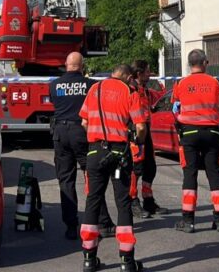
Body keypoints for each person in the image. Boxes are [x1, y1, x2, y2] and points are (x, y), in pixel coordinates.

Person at [79, 64, 147, 272]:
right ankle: (127, 261)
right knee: (123, 203)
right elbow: (141, 126)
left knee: (93, 200)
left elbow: (84, 122)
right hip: (119, 153)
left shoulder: (95, 89)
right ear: (127, 76)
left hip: (95, 152)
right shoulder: (129, 92)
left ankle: (89, 258)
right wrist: (139, 140)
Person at [50, 52, 114, 240]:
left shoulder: (54, 85)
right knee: (94, 177)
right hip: (82, 133)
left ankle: (71, 226)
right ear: (82, 66)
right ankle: (102, 222)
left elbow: (54, 103)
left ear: (66, 64)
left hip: (60, 133)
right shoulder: (90, 85)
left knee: (66, 180)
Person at [171, 49, 219, 233]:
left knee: (190, 174)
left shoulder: (181, 83)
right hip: (211, 132)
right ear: (205, 63)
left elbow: (175, 106)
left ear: (189, 64)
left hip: (189, 132)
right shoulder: (214, 82)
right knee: (214, 172)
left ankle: (188, 221)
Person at [128, 60, 169, 219]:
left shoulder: (144, 89)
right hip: (135, 132)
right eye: (147, 71)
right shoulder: (130, 89)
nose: (149, 74)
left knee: (150, 167)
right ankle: (132, 201)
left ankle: (148, 200)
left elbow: (152, 103)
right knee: (135, 169)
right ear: (139, 74)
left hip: (146, 130)